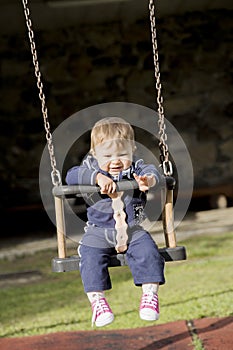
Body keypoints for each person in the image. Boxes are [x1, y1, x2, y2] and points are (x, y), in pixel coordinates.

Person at [66, 117, 165, 327]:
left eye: (122, 154)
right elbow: (71, 175)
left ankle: (149, 294)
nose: (116, 160)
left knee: (148, 251)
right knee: (89, 256)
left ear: (132, 150)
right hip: (98, 231)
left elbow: (152, 171)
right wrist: (96, 178)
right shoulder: (91, 168)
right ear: (95, 154)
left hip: (134, 230)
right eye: (108, 155)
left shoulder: (137, 167)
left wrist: (148, 181)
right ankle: (98, 301)